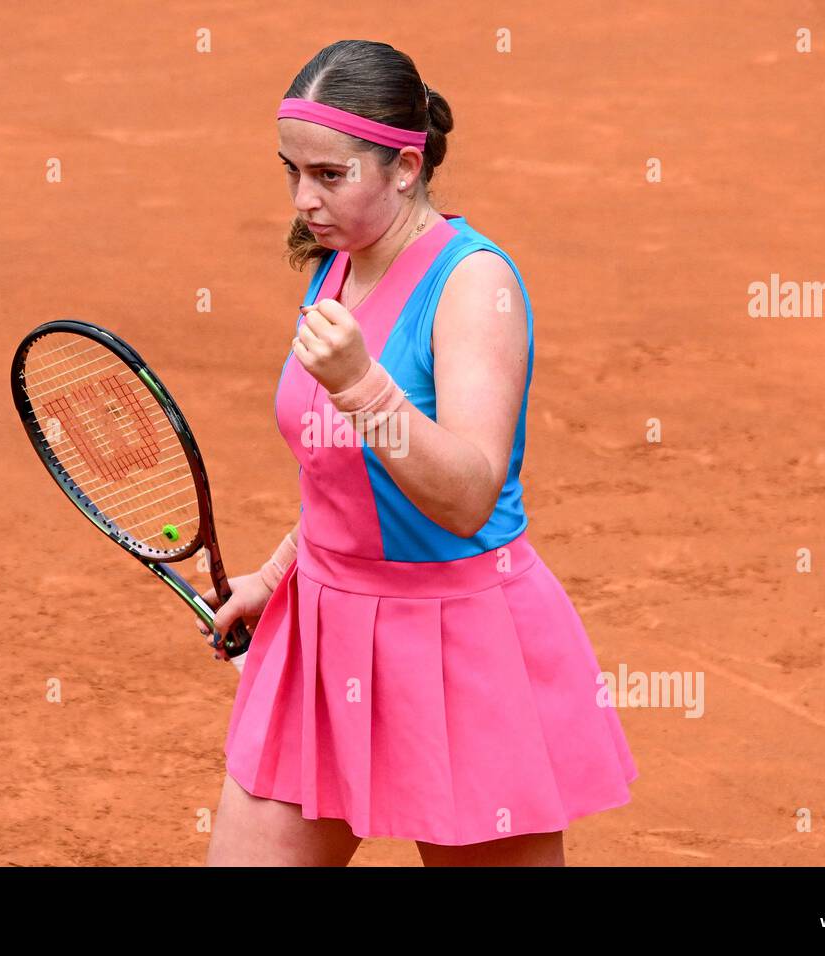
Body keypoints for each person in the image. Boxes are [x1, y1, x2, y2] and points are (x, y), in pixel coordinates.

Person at [199, 39, 638, 866]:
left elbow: (467, 495)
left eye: (330, 176)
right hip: (324, 637)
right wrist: (277, 575)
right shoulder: (340, 265)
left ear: (405, 167)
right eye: (292, 171)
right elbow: (341, 480)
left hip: (458, 643)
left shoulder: (476, 287)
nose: (303, 200)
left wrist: (365, 387)